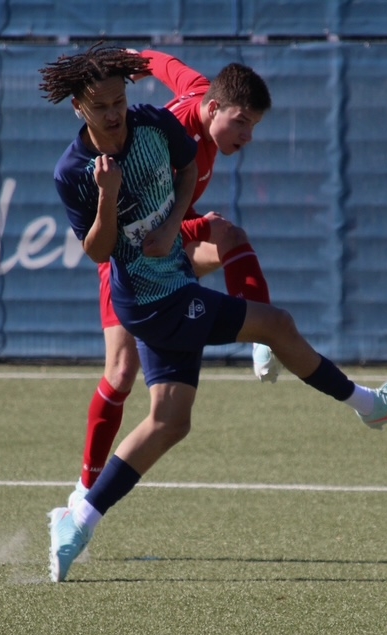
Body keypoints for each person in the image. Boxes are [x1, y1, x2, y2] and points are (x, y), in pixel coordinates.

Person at [39, 44, 387, 583]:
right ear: (78, 108)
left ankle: (78, 520)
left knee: (170, 421)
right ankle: (368, 404)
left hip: (173, 275)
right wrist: (108, 198)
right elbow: (99, 253)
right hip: (151, 299)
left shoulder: (152, 124)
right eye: (101, 105)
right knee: (275, 325)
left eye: (119, 100)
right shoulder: (74, 171)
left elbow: (183, 165)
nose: (114, 113)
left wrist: (172, 225)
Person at [67, 49, 281, 508]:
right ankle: (84, 488)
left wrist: (124, 58)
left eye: (253, 126)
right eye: (242, 122)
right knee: (121, 371)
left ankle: (262, 339)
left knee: (229, 236)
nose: (247, 136)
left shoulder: (202, 90)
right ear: (214, 109)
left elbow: (159, 62)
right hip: (130, 254)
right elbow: (143, 221)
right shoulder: (171, 133)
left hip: (168, 240)